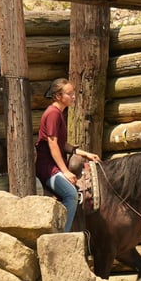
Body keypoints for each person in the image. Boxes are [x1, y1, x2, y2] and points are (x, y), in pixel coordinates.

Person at [35, 78, 101, 232]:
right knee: (71, 195)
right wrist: (65, 171)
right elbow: (52, 144)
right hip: (47, 168)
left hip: (53, 166)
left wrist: (86, 154)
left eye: (73, 93)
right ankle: (63, 236)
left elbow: (61, 144)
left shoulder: (58, 113)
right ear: (58, 96)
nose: (73, 96)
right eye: (69, 94)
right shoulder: (53, 114)